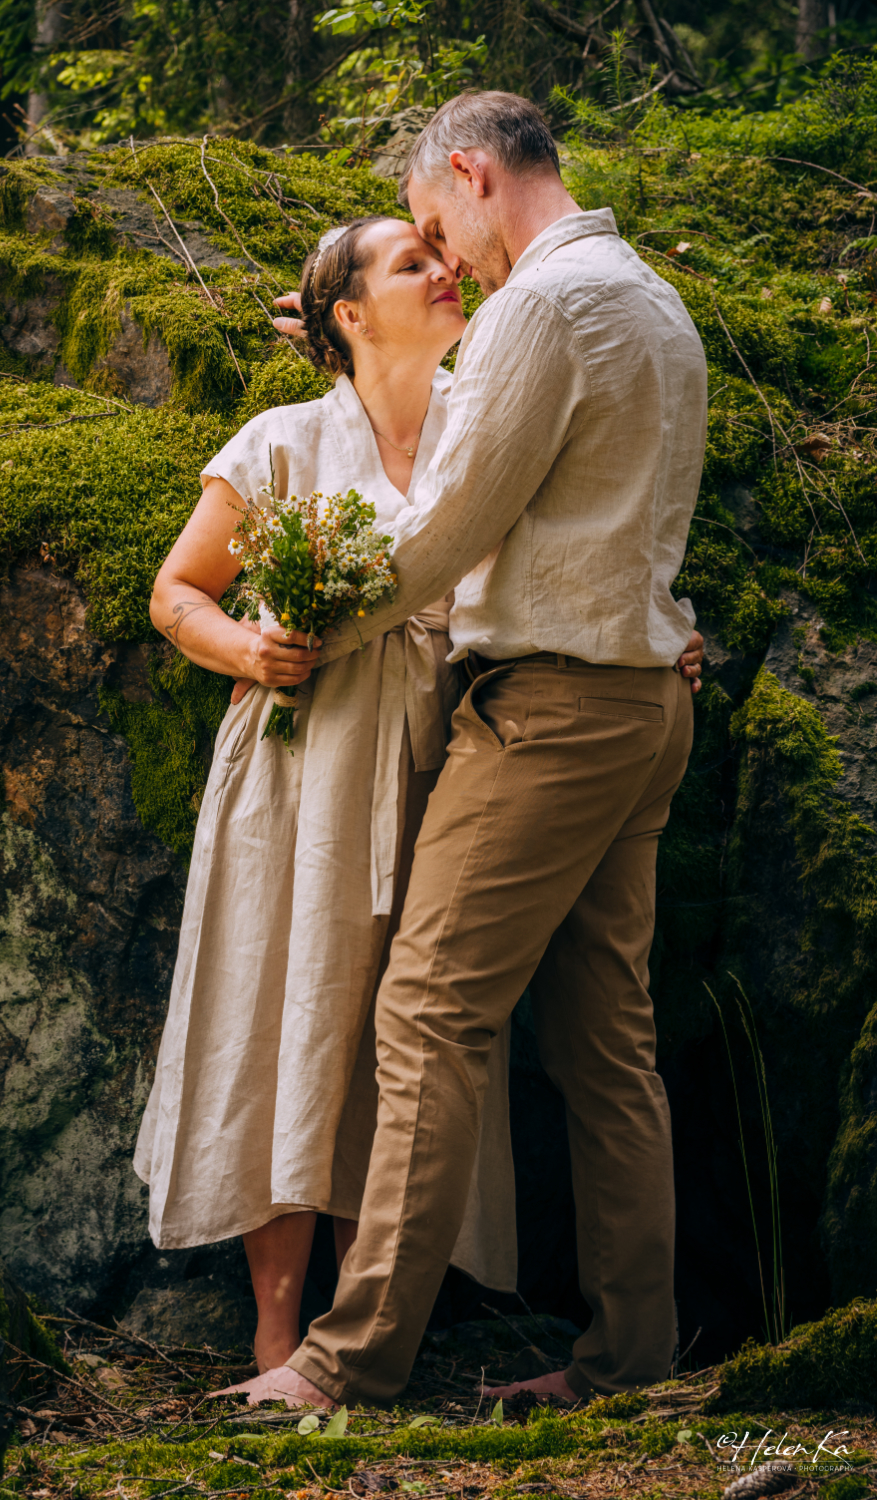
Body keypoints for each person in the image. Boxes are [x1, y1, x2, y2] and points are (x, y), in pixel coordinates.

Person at [227, 89, 710, 1411]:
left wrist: (309, 627)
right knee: (606, 1046)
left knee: (428, 1011)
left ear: (468, 171)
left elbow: (443, 531)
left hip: (549, 715)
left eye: (435, 226)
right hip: (642, 707)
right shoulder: (650, 298)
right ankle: (629, 1360)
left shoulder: (542, 309)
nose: (444, 257)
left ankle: (348, 1362)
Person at [137, 213, 665, 1374]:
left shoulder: (491, 421)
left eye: (442, 256)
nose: (445, 272)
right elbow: (177, 593)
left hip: (451, 757)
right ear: (347, 313)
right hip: (299, 767)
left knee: (404, 1032)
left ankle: (374, 1328)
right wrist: (250, 648)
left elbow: (579, 546)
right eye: (412, 263)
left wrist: (649, 627)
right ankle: (278, 1338)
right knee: (286, 1017)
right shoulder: (281, 442)